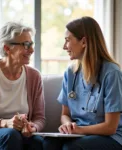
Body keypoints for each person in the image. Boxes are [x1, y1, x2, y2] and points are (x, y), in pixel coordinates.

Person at [43, 16, 122, 150]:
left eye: (68, 40)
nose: (64, 46)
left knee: (72, 148)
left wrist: (80, 130)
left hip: (110, 137)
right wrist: (68, 125)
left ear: (84, 42)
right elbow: (65, 114)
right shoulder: (70, 72)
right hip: (79, 134)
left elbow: (110, 127)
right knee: (48, 144)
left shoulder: (111, 73)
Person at [0, 21, 45, 150]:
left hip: (19, 135)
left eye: (31, 44)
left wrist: (32, 127)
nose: (32, 50)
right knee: (10, 135)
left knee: (39, 142)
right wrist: (6, 123)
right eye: (26, 45)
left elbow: (39, 118)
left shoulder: (35, 76)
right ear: (7, 48)